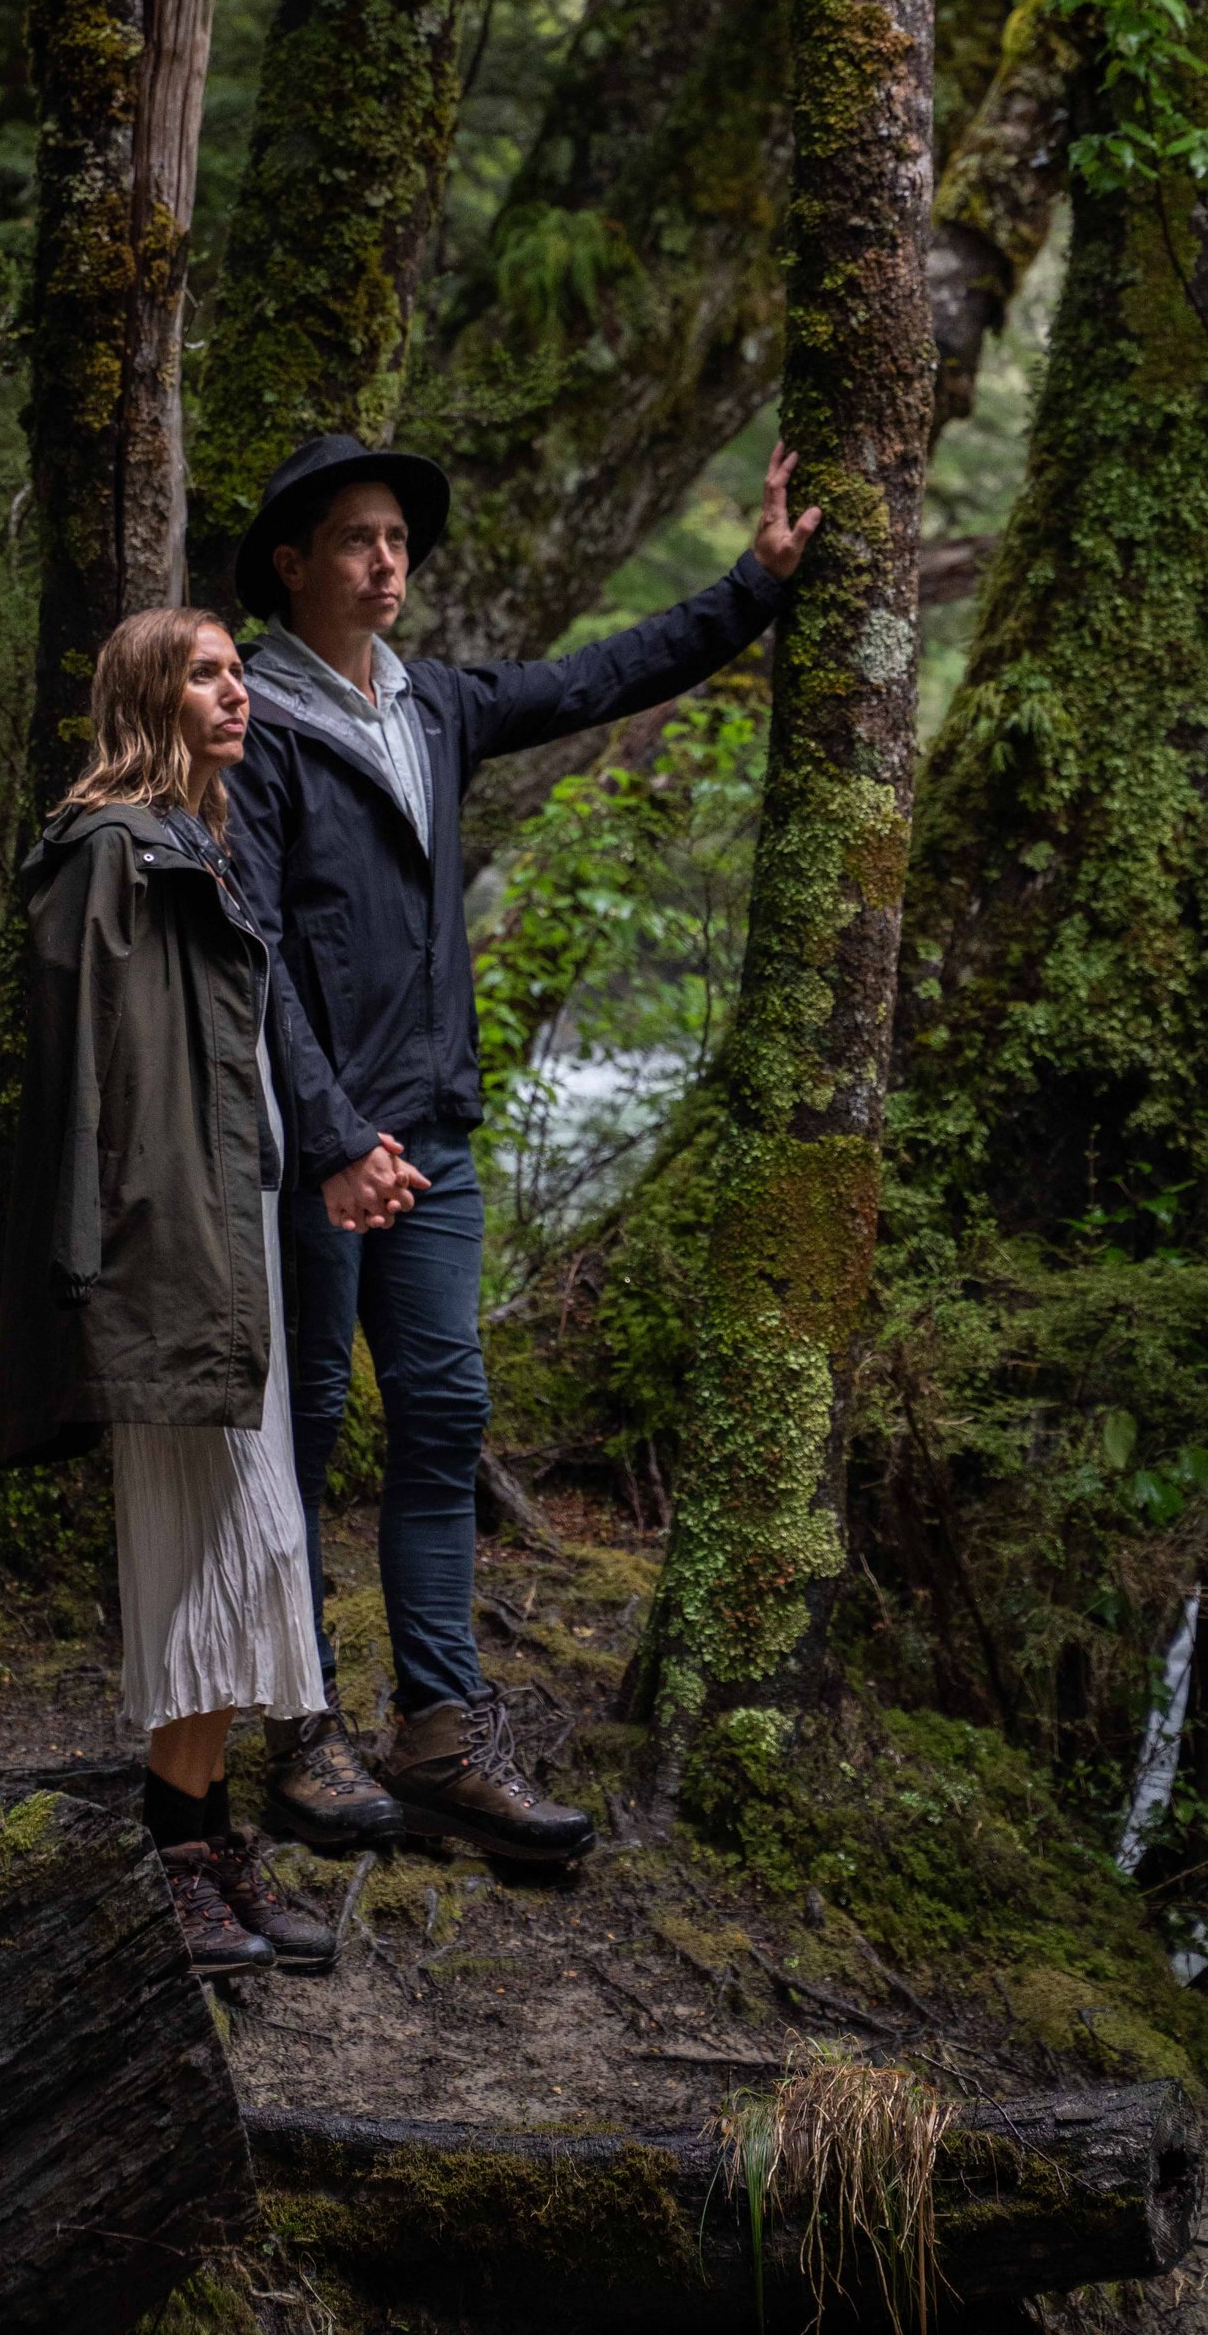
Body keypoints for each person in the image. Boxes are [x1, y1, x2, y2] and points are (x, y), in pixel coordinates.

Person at [229, 430, 821, 1864]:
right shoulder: (251, 724)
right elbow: (247, 957)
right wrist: (328, 1139)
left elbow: (599, 678)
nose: (389, 559)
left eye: (399, 538)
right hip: (317, 1155)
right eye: (359, 538)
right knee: (300, 1437)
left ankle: (438, 1732)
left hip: (434, 1141)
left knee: (441, 1422)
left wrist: (755, 585)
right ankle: (303, 1730)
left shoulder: (435, 705)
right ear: (293, 564)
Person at [0, 606, 340, 1981]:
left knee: (246, 1550)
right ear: (148, 695)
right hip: (159, 1249)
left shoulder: (207, 845)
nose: (236, 691)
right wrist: (91, 1263)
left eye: (240, 671)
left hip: (233, 1234)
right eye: (206, 673)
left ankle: (203, 1838)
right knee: (204, 1548)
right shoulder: (108, 853)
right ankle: (173, 1850)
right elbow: (77, 1072)